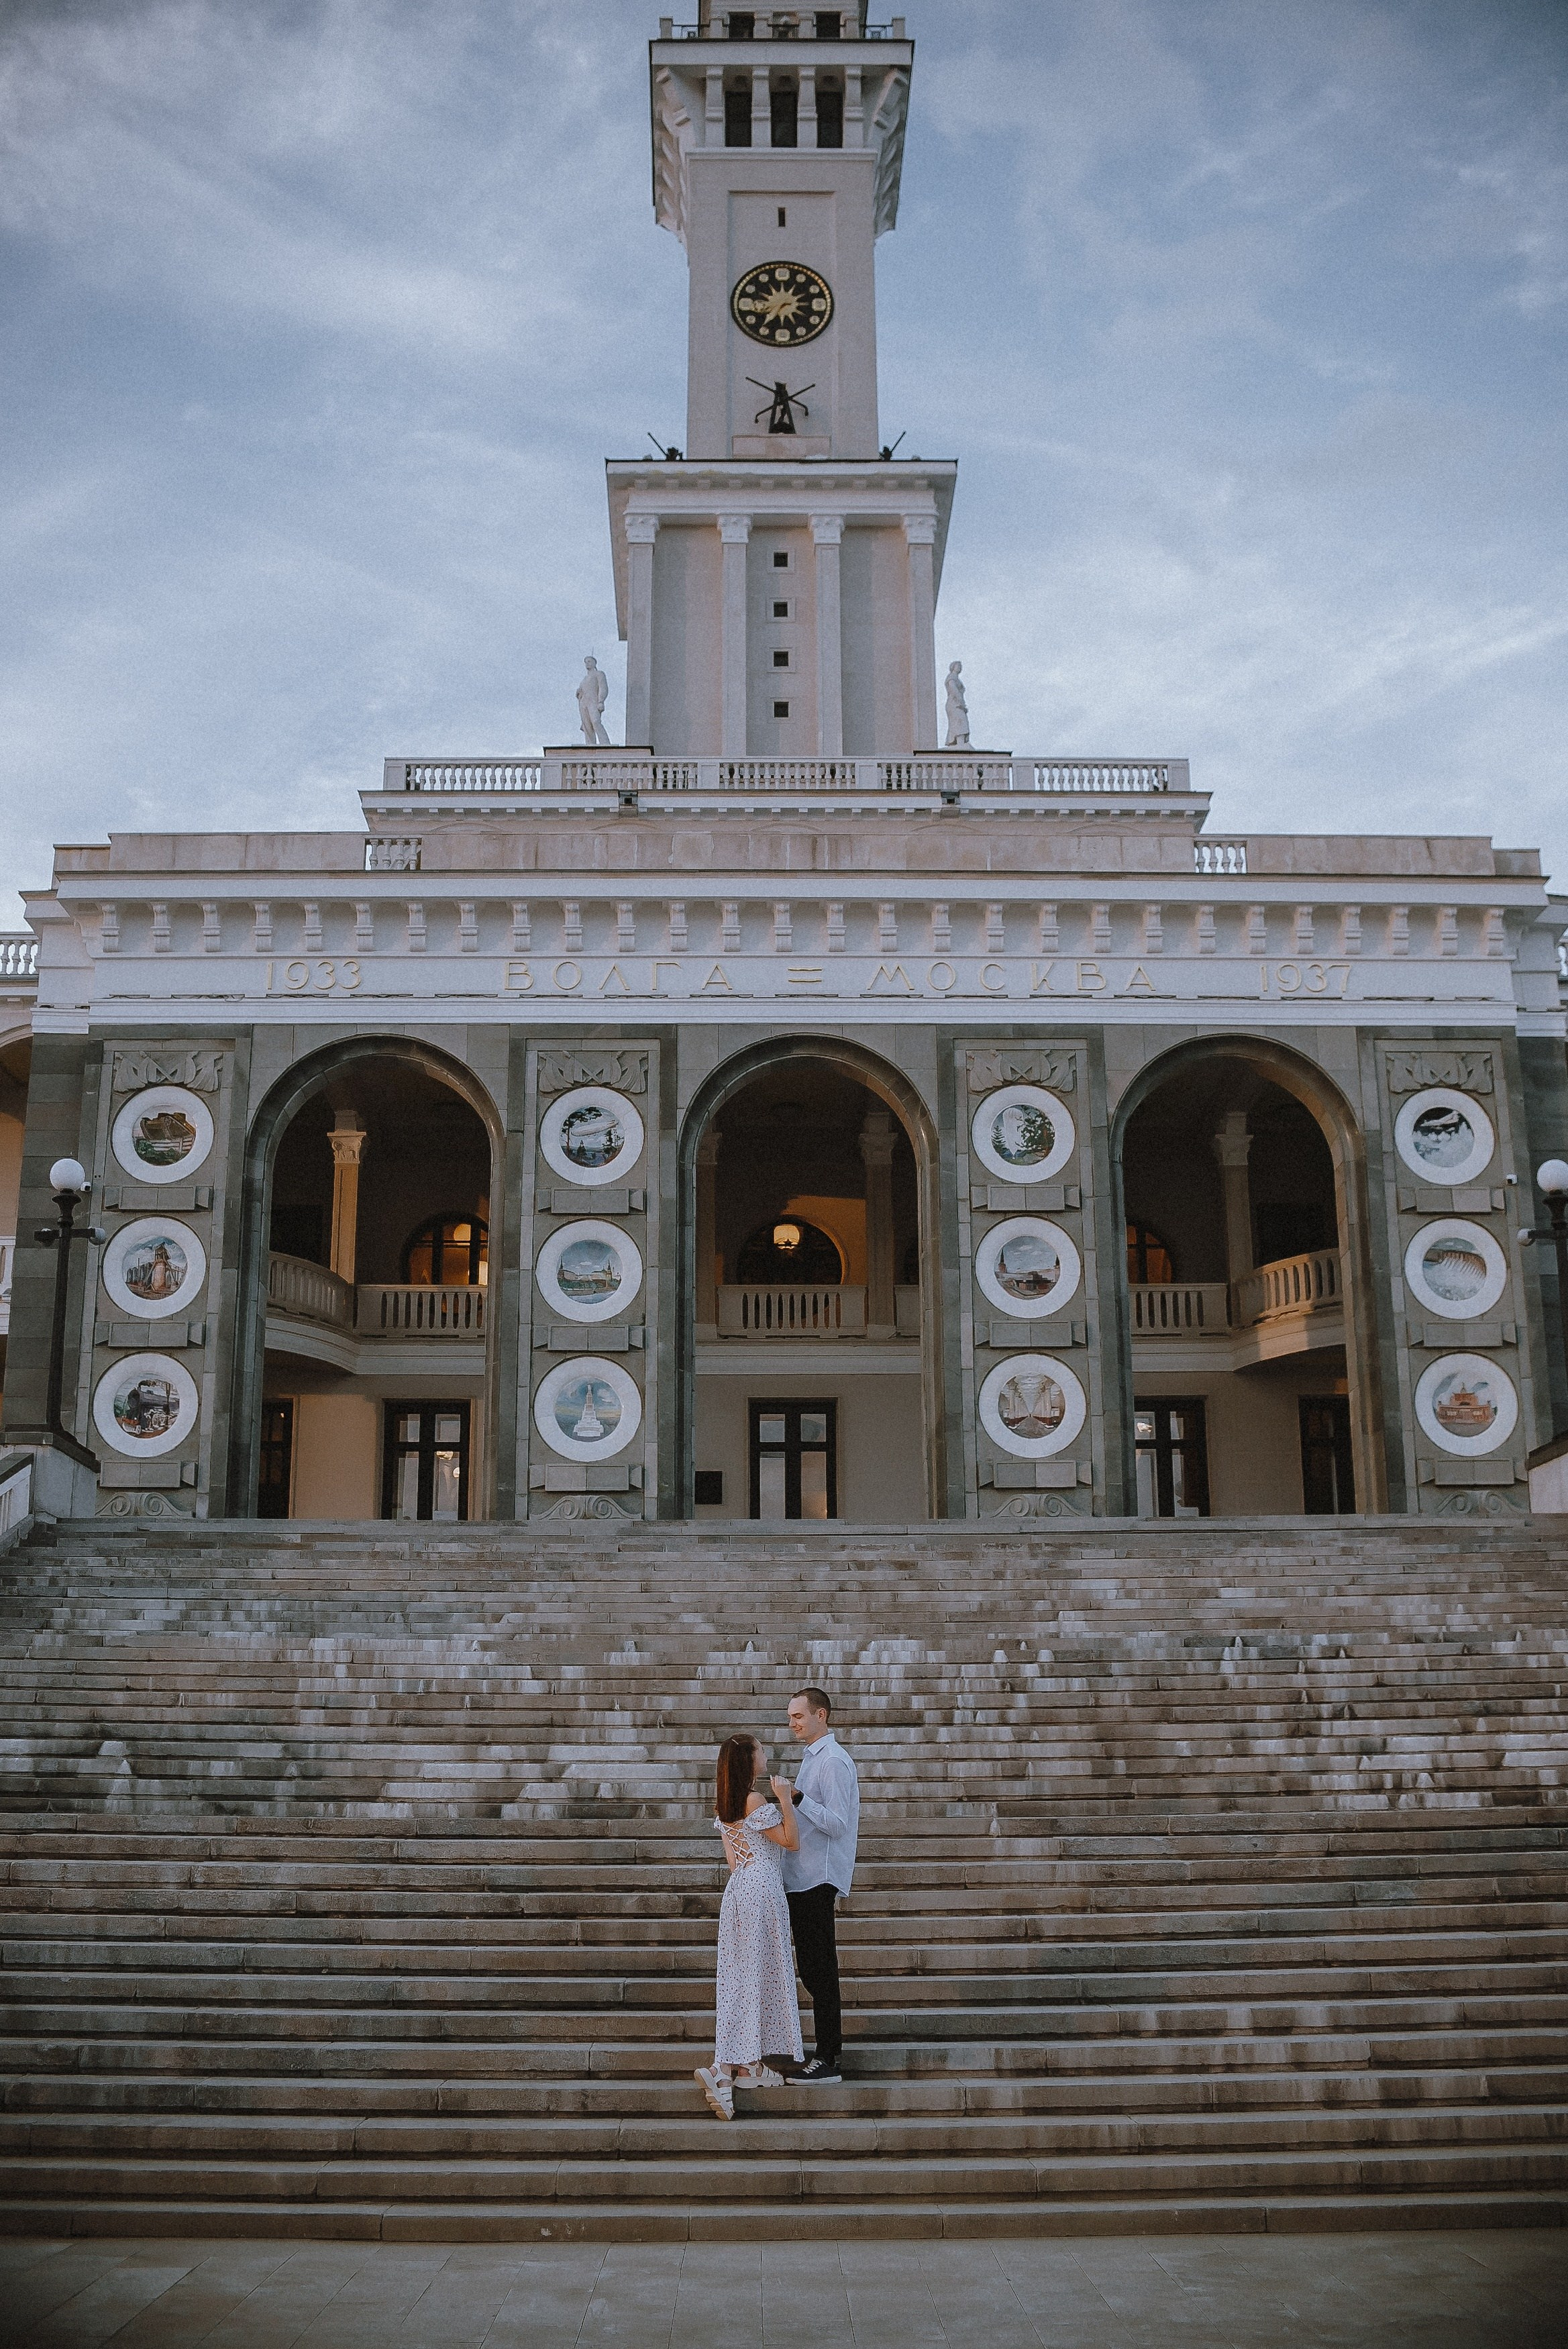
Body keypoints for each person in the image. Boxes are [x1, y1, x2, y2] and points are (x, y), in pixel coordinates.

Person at [696, 1732, 803, 2121]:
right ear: (748, 1760)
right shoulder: (755, 1800)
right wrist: (786, 1800)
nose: (765, 1754)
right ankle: (728, 2068)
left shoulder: (726, 1802)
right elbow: (791, 1841)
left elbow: (731, 1861)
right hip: (761, 1890)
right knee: (756, 1975)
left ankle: (742, 2063)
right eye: (759, 1750)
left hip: (739, 1889)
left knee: (740, 1978)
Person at [781, 1686, 859, 2083]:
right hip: (802, 1876)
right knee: (812, 1969)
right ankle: (824, 2051)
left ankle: (829, 2056)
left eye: (798, 1716)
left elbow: (838, 1824)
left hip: (818, 1877)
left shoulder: (832, 1762)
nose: (792, 1723)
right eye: (792, 1717)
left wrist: (796, 1799)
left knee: (820, 1970)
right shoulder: (813, 1759)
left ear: (820, 1715)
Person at [576, 654, 611, 745]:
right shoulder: (584, 680)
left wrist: (601, 701)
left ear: (594, 663)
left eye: (589, 661)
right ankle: (590, 744)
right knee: (587, 726)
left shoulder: (599, 674)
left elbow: (603, 688)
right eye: (586, 662)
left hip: (594, 702)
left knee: (596, 722)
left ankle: (605, 743)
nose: (587, 664)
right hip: (583, 703)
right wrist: (579, 694)